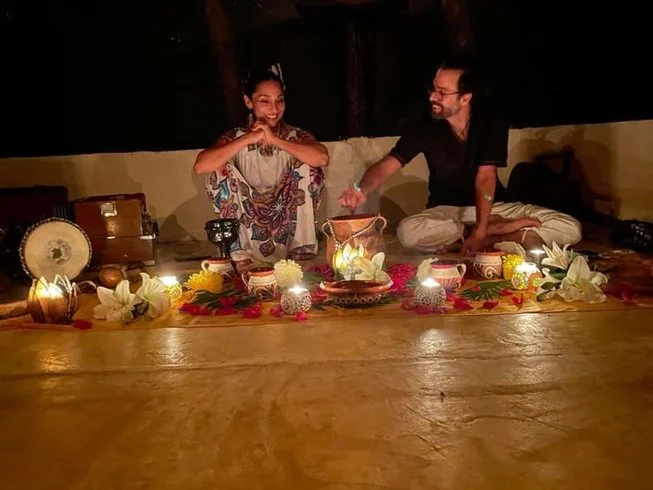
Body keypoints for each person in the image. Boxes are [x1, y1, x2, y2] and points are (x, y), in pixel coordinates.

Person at [338, 56, 582, 255]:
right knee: (408, 232)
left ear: (465, 98)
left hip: (496, 207)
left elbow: (485, 178)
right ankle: (498, 235)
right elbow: (387, 164)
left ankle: (485, 235)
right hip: (447, 213)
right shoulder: (425, 125)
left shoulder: (490, 122)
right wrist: (361, 189)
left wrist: (481, 231)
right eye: (433, 89)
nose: (432, 97)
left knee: (570, 228)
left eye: (442, 92)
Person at [194, 64, 329, 262]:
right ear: (248, 102)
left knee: (310, 167)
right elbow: (201, 166)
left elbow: (322, 158)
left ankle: (301, 247)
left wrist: (274, 140)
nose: (274, 109)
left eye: (279, 100)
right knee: (218, 170)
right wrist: (249, 138)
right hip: (248, 222)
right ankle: (239, 251)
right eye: (265, 101)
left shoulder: (295, 136)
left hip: (287, 221)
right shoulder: (236, 136)